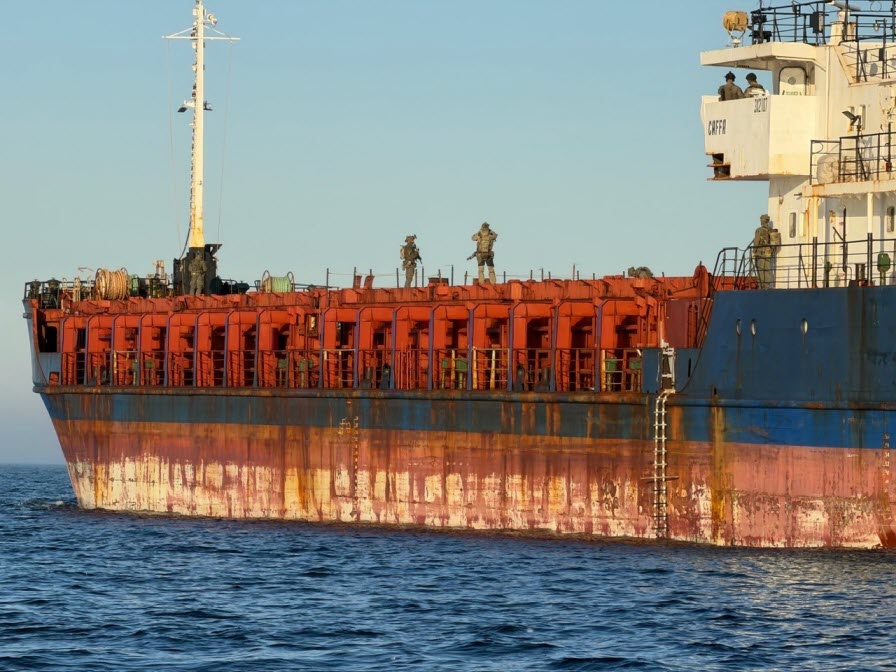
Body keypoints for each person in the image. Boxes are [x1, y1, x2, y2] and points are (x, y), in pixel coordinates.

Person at [752, 214, 779, 289]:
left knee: (760, 270)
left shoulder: (759, 230)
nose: (761, 220)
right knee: (767, 270)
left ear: (763, 220)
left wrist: (754, 251)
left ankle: (761, 286)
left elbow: (756, 241)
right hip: (768, 252)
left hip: (760, 252)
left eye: (761, 219)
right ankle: (767, 286)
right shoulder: (771, 230)